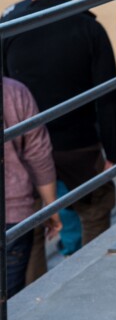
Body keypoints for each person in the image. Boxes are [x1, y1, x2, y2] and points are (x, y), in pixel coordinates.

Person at [3, 0, 116, 250]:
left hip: (25, 147)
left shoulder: (11, 28)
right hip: (79, 145)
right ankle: (92, 273)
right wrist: (115, 153)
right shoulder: (90, 27)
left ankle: (31, 289)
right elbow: (108, 95)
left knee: (27, 223)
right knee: (96, 207)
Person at [3, 77, 61, 298]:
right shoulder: (15, 91)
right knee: (8, 303)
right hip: (14, 214)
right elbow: (39, 155)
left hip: (14, 214)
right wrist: (52, 207)